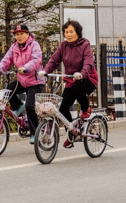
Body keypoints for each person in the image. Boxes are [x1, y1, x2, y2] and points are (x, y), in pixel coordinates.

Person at [40, 18, 98, 148]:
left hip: (88, 79)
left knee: (77, 86)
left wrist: (82, 73)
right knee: (62, 109)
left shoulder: (85, 45)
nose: (69, 34)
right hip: (71, 81)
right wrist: (45, 71)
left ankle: (86, 108)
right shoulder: (63, 46)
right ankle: (72, 133)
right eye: (66, 32)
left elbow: (88, 62)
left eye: (71, 31)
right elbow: (54, 61)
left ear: (77, 32)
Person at [0, 24, 44, 143]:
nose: (19, 36)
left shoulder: (34, 45)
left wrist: (26, 67)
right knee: (7, 91)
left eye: (21, 34)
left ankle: (35, 132)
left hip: (35, 81)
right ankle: (18, 106)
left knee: (30, 106)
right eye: (17, 34)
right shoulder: (14, 47)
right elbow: (7, 59)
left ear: (27, 34)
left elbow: (37, 59)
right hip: (22, 80)